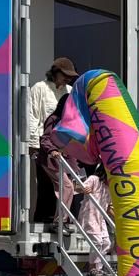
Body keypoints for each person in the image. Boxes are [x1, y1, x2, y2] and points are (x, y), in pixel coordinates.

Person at [27, 58, 78, 222]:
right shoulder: (39, 88)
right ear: (55, 72)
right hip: (44, 143)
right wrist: (34, 144)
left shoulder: (69, 91)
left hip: (63, 146)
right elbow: (32, 116)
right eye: (65, 75)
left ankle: (62, 219)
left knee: (67, 184)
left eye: (70, 76)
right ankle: (44, 218)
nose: (68, 79)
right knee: (45, 183)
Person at [38, 94, 78, 232]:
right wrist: (52, 150)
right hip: (53, 160)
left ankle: (62, 221)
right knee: (67, 187)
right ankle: (59, 223)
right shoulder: (54, 119)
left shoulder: (71, 121)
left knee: (69, 188)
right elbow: (45, 139)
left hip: (67, 160)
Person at [76, 164, 111, 276]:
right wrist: (83, 189)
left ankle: (98, 268)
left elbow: (109, 207)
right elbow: (76, 188)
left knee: (106, 243)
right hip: (89, 214)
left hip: (100, 218)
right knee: (97, 241)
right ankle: (92, 267)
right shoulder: (94, 179)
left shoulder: (108, 188)